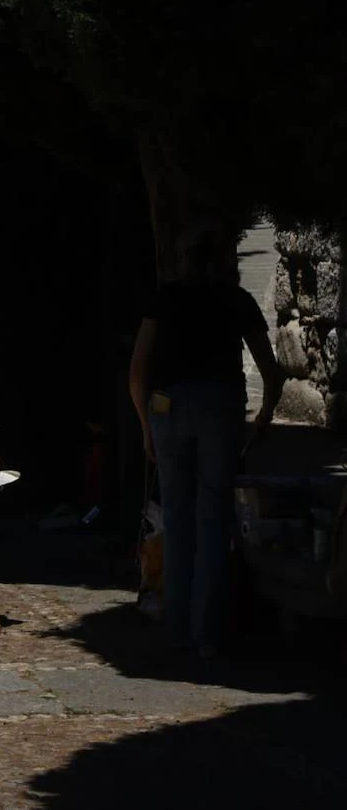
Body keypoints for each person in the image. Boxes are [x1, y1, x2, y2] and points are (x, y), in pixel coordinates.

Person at [129, 224, 286, 659]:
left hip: (168, 407)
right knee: (214, 519)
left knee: (177, 517)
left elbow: (138, 372)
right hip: (219, 404)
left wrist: (146, 426)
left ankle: (176, 627)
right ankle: (207, 634)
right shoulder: (236, 300)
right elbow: (270, 370)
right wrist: (265, 415)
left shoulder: (165, 299)